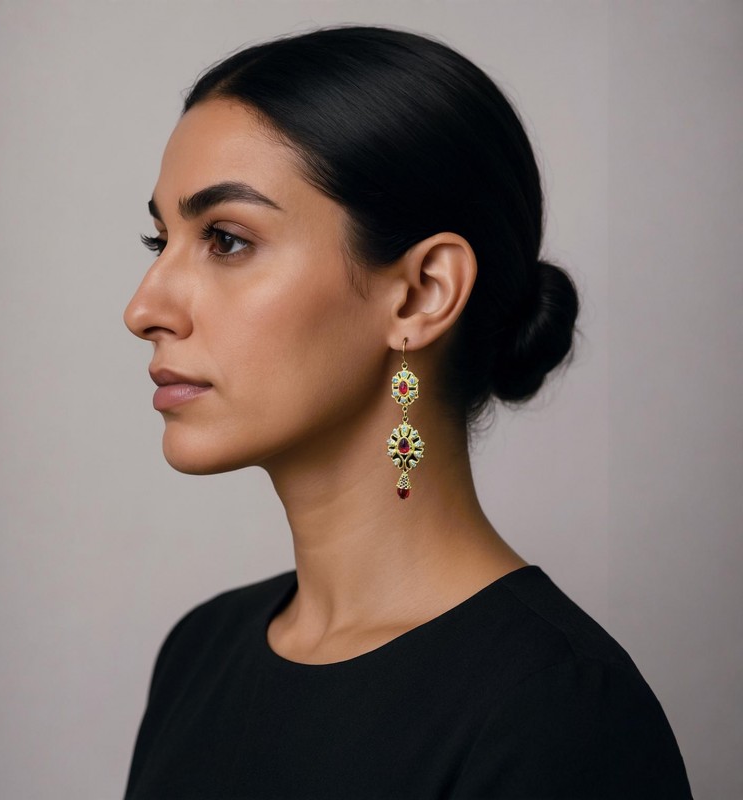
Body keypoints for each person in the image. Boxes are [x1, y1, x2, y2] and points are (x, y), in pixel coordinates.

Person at [122, 25, 692, 799]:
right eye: (160, 239)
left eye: (225, 239)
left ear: (423, 293)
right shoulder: (199, 653)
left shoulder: (560, 715)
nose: (144, 308)